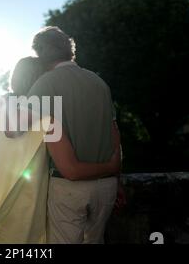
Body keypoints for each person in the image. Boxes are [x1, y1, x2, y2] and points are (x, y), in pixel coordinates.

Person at [0, 56, 122, 244]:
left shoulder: (5, 112)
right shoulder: (47, 119)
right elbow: (72, 169)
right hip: (24, 205)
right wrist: (111, 168)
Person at [24, 26, 122, 243]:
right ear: (69, 49)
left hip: (69, 188)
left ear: (40, 54)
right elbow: (114, 135)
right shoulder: (99, 83)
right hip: (107, 187)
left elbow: (15, 130)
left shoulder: (44, 85)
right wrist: (117, 178)